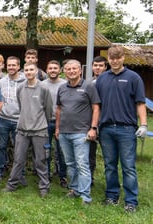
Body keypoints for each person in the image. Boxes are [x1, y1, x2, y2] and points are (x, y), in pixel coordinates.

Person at [96, 46, 147, 213]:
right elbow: (97, 106)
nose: (115, 61)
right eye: (112, 58)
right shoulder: (102, 78)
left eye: (118, 58)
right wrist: (95, 126)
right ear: (108, 59)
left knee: (128, 166)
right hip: (106, 129)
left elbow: (140, 102)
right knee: (110, 165)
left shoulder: (134, 78)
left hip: (126, 129)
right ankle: (112, 196)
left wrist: (144, 124)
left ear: (123, 58)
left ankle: (131, 201)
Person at [3, 62, 52, 197]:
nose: (29, 72)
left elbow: (48, 110)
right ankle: (12, 184)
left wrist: (41, 123)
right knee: (18, 159)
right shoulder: (20, 88)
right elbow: (21, 106)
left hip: (39, 130)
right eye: (27, 70)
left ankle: (44, 187)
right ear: (24, 72)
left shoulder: (44, 88)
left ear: (36, 71)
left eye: (31, 70)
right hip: (22, 130)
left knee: (40, 160)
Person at [55, 59, 100, 205]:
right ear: (65, 71)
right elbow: (59, 109)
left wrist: (93, 128)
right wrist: (57, 128)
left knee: (82, 164)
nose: (71, 71)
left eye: (74, 68)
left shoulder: (88, 86)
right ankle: (74, 189)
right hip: (64, 132)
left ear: (80, 70)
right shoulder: (62, 88)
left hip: (81, 132)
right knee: (70, 163)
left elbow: (96, 108)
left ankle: (85, 196)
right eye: (68, 69)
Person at [0, 56, 25, 182]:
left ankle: (20, 174)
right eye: (9, 65)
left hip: (19, 120)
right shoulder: (1, 82)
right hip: (3, 119)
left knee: (19, 148)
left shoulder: (25, 82)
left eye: (14, 65)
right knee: (1, 146)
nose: (11, 67)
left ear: (18, 66)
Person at [41, 60, 67, 188]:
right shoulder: (42, 85)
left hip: (62, 123)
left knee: (62, 151)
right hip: (45, 122)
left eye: (55, 68)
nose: (52, 70)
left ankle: (63, 176)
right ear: (46, 70)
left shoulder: (65, 84)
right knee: (46, 150)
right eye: (50, 68)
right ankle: (46, 175)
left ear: (60, 70)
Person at [89, 56, 107, 186]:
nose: (98, 68)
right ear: (92, 67)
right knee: (90, 153)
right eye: (95, 65)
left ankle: (111, 182)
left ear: (105, 67)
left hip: (106, 123)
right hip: (91, 123)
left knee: (109, 155)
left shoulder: (110, 81)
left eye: (101, 65)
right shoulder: (88, 83)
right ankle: (89, 179)